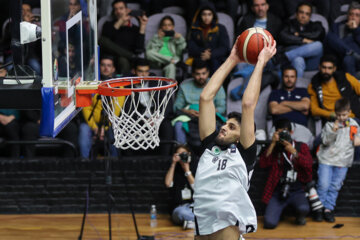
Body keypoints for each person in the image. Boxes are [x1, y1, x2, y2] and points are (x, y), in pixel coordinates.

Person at [193, 37, 276, 239]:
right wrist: (232, 59)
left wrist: (260, 63)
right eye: (225, 124)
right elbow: (205, 98)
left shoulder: (244, 153)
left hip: (228, 218)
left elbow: (248, 104)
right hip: (201, 217)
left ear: (241, 137)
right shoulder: (209, 143)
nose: (223, 128)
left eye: (231, 127)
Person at [259, 118, 313, 229]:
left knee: (303, 209)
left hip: (297, 190)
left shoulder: (301, 146)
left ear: (291, 132)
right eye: (279, 132)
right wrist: (273, 143)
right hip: (278, 190)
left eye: (285, 132)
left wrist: (294, 152)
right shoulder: (274, 148)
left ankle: (299, 216)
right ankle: (279, 212)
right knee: (269, 224)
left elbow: (308, 164)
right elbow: (263, 164)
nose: (283, 135)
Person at [316, 97, 360, 222]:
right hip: (326, 159)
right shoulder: (329, 125)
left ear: (349, 112)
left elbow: (356, 141)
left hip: (343, 161)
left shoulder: (353, 125)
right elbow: (325, 141)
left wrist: (355, 138)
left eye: (344, 114)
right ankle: (319, 209)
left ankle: (328, 209)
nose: (341, 117)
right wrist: (333, 131)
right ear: (335, 113)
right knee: (323, 185)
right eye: (339, 115)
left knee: (335, 186)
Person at [78, 56, 124, 158]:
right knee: (83, 130)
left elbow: (115, 112)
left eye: (109, 66)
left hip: (110, 123)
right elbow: (86, 107)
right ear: (98, 67)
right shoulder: (90, 84)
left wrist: (104, 127)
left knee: (115, 132)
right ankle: (85, 164)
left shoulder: (119, 86)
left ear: (113, 69)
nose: (106, 68)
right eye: (103, 65)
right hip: (91, 123)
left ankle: (115, 163)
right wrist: (95, 127)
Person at [172, 60, 226, 147]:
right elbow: (177, 107)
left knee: (217, 126)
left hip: (210, 117)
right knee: (178, 125)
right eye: (197, 74)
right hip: (189, 117)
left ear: (208, 73)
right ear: (193, 74)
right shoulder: (185, 86)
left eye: (204, 73)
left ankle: (212, 150)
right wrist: (188, 112)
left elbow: (221, 108)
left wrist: (206, 113)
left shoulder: (216, 85)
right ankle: (182, 151)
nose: (201, 77)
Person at [277, 2, 325, 78]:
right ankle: (296, 87)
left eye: (307, 14)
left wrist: (298, 34)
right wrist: (303, 40)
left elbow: (318, 35)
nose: (303, 16)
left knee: (318, 45)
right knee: (298, 59)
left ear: (310, 16)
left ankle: (286, 56)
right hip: (294, 58)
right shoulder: (288, 23)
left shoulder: (316, 25)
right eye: (301, 12)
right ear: (296, 13)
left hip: (311, 61)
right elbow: (283, 36)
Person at [99, 0, 148, 74]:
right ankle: (130, 56)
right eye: (116, 9)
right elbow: (104, 41)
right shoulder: (108, 25)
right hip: (111, 57)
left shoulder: (134, 28)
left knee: (123, 60)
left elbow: (139, 49)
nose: (118, 11)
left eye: (121, 8)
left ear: (127, 10)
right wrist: (121, 21)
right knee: (102, 39)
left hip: (127, 60)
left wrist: (143, 26)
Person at [308, 54, 360, 122]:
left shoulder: (345, 77)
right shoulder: (314, 84)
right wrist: (332, 115)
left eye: (329, 68)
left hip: (352, 117)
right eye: (324, 67)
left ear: (334, 69)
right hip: (332, 120)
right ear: (319, 67)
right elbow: (314, 110)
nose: (326, 71)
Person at [188, 2, 230, 73]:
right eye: (204, 14)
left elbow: (225, 48)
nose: (206, 17)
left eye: (209, 14)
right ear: (200, 15)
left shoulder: (221, 28)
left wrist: (211, 55)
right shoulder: (194, 28)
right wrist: (203, 52)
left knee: (215, 63)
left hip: (216, 59)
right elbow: (191, 47)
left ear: (213, 15)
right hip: (199, 57)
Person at [165, 144, 198, 229]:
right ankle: (199, 222)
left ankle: (191, 223)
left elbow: (197, 189)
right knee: (181, 213)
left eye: (184, 154)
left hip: (194, 206)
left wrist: (187, 170)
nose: (182, 156)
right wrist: (173, 163)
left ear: (189, 154)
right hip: (180, 207)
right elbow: (168, 184)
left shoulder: (195, 167)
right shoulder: (174, 169)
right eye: (179, 155)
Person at [146, 15, 187, 80]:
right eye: (164, 25)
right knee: (149, 52)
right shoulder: (155, 37)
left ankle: (169, 89)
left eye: (169, 25)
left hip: (170, 63)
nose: (167, 27)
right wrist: (158, 39)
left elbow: (180, 52)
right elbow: (150, 53)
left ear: (173, 27)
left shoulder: (176, 38)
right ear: (161, 27)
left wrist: (179, 40)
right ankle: (170, 59)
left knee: (171, 66)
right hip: (158, 62)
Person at [325, 1, 360, 76]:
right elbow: (331, 41)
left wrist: (355, 30)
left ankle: (352, 87)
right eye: (351, 14)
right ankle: (350, 52)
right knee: (330, 36)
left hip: (356, 61)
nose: (353, 17)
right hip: (339, 57)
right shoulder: (337, 25)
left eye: (357, 15)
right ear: (347, 15)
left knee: (348, 59)